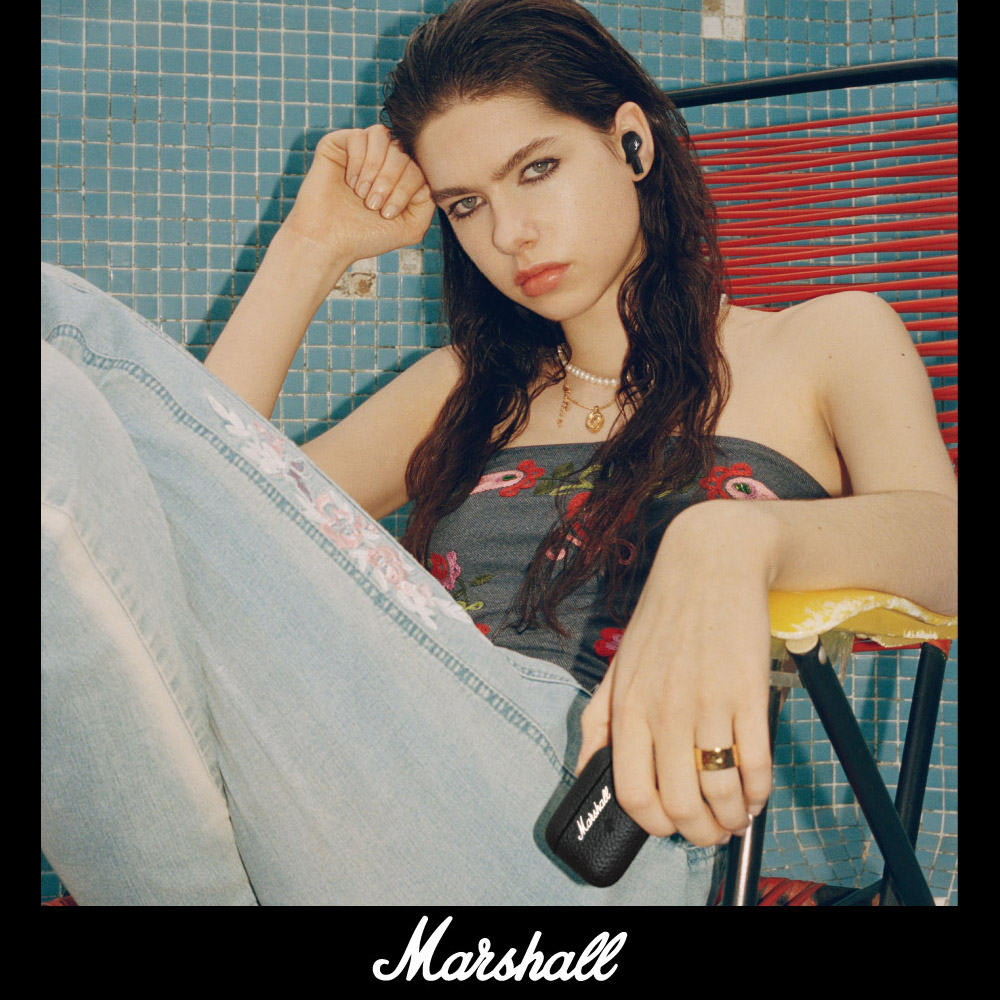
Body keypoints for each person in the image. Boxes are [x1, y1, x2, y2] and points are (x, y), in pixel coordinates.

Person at [41, 0, 956, 906]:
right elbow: (193, 521)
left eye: (538, 169)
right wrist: (310, 248)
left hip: (604, 845)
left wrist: (734, 541)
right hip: (355, 823)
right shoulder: (459, 388)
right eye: (467, 204)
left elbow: (946, 545)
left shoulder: (823, 342)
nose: (508, 234)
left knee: (61, 331)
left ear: (632, 144)